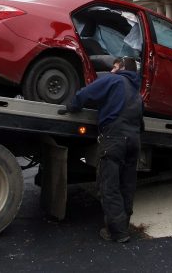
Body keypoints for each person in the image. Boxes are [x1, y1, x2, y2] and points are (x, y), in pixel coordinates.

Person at [59, 57, 143, 243]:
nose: (112, 70)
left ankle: (117, 233)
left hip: (114, 139)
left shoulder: (113, 80)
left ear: (121, 67)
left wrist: (71, 106)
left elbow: (86, 94)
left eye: (114, 67)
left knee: (109, 186)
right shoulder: (136, 92)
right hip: (134, 141)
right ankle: (123, 224)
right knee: (127, 185)